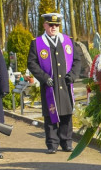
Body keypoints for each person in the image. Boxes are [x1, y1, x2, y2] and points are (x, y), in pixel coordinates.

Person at [27, 12, 82, 154]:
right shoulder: (37, 43)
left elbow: (77, 60)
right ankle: (52, 143)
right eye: (51, 25)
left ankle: (67, 142)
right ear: (45, 25)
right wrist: (44, 78)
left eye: (57, 25)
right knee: (50, 115)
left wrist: (73, 75)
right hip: (49, 86)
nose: (54, 27)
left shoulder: (67, 41)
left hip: (65, 83)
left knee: (66, 114)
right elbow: (31, 63)